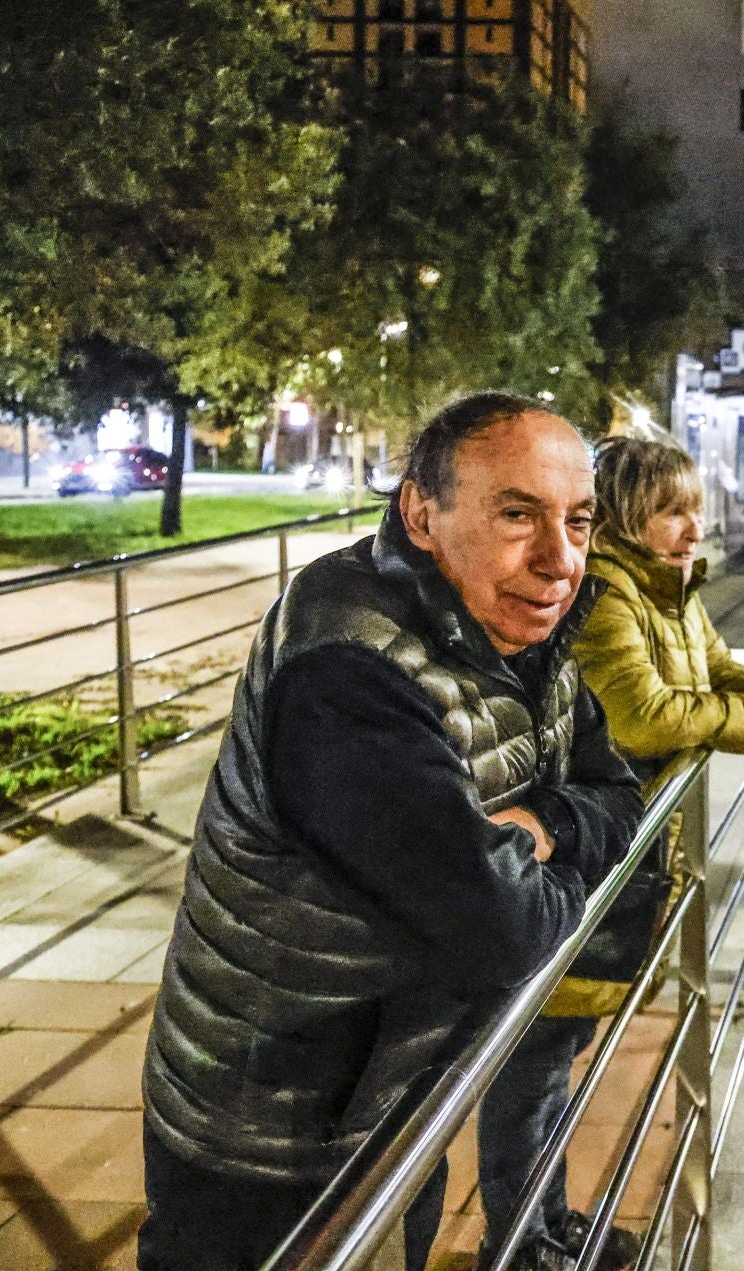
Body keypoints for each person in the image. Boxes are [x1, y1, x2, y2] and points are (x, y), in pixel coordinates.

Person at [138, 394, 642, 1271]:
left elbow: (618, 792)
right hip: (275, 1135)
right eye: (518, 514)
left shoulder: (521, 630)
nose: (560, 559)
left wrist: (546, 823)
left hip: (394, 1094)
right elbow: (505, 933)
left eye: (579, 520)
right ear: (421, 512)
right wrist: (560, 869)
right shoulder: (346, 667)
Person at [476, 438, 744, 1262]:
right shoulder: (605, 596)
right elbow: (642, 717)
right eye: (674, 509)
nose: (695, 525)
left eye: (695, 506)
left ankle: (545, 1224)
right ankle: (522, 1247)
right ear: (630, 516)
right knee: (537, 1065)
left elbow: (710, 668)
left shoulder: (663, 592)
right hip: (573, 863)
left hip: (619, 859)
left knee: (553, 1062)